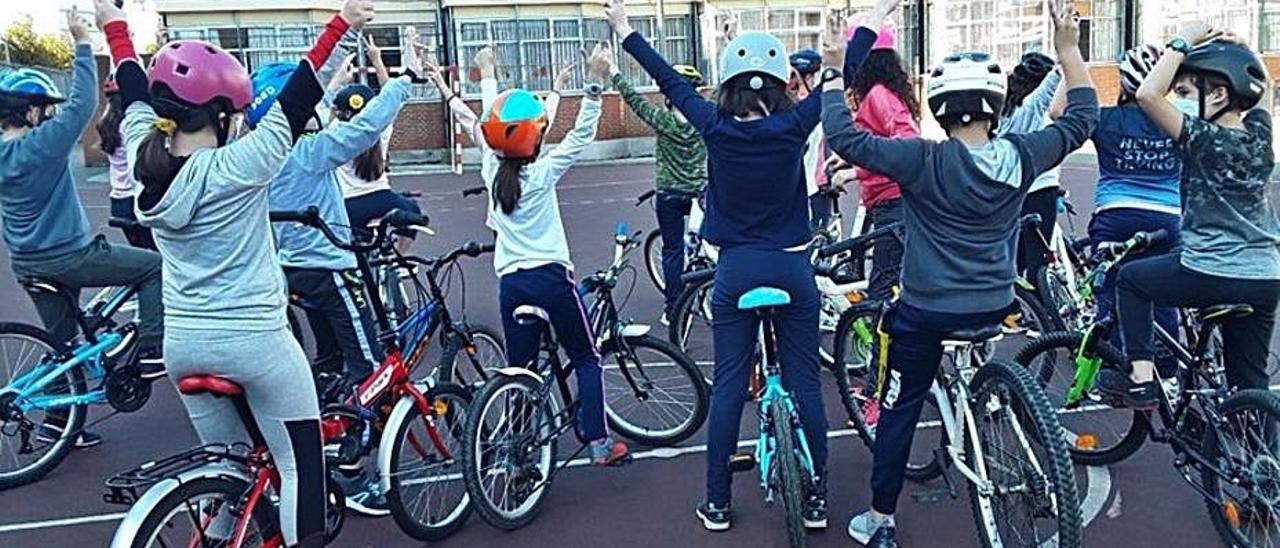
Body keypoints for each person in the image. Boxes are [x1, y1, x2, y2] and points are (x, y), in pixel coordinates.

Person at [95, 0, 374, 545]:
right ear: (221, 116)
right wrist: (343, 25)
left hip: (184, 345)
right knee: (300, 468)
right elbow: (300, 93)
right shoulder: (239, 166)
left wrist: (114, 26)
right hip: (255, 344)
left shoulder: (144, 152)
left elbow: (132, 88)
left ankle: (221, 534)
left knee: (228, 468)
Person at [819, 1, 1097, 545]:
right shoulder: (1022, 154)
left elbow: (847, 140)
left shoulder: (923, 159)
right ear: (995, 105)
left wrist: (833, 68)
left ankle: (880, 519)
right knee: (978, 348)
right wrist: (1068, 49)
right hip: (994, 304)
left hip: (926, 309)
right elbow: (1082, 117)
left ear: (941, 110)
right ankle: (989, 402)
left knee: (899, 408)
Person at [607, 0, 831, 531]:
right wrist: (857, 41)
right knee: (804, 382)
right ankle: (818, 498)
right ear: (781, 85)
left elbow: (669, 81)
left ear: (728, 86)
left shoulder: (714, 125)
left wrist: (625, 31)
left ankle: (717, 502)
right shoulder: (795, 124)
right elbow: (843, 82)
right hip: (792, 269)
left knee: (729, 383)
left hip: (735, 272)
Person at [423, 44, 630, 467]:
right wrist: (591, 84)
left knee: (520, 371)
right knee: (587, 358)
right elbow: (578, 136)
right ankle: (599, 443)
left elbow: (483, 122)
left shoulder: (489, 167)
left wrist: (486, 75)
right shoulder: (544, 171)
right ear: (536, 137)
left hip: (512, 284)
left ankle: (518, 452)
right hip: (553, 279)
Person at [250, 55, 416, 515]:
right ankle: (355, 464)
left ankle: (319, 436)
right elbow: (364, 130)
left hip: (292, 272)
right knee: (370, 365)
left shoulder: (261, 153)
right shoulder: (307, 151)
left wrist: (329, 83)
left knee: (327, 361)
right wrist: (402, 84)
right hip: (329, 268)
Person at [1099, 22, 1280, 408]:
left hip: (1211, 271)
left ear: (1217, 95)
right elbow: (1263, 90)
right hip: (1266, 275)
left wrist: (1183, 42)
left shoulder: (1200, 137)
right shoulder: (1262, 138)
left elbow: (1148, 93)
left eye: (1183, 92)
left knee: (1130, 280)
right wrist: (1243, 49)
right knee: (1250, 382)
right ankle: (1261, 459)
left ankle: (1143, 378)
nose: (1176, 99)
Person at [0, 8, 165, 391]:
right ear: (29, 111)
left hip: (26, 261)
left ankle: (57, 428)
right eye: (46, 108)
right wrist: (82, 41)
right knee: (153, 267)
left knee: (62, 345)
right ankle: (154, 349)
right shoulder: (41, 144)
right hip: (68, 254)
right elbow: (80, 105)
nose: (52, 114)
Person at [1087, 44, 1182, 368]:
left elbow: (1059, 112)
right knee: (1164, 297)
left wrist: (1069, 60)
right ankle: (1166, 372)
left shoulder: (1105, 118)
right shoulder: (1178, 119)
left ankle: (1115, 370)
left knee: (1111, 294)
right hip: (1168, 218)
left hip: (1116, 215)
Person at [612, 60, 708, 322]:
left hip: (669, 193)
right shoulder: (705, 117)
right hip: (701, 193)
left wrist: (613, 70)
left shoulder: (662, 119)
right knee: (716, 243)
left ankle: (673, 309)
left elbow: (634, 100)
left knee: (672, 250)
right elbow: (726, 92)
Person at [834, 21, 919, 303]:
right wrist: (846, 160)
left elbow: (905, 141)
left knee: (882, 284)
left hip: (893, 200)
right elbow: (875, 141)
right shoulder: (880, 93)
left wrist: (854, 172)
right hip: (888, 200)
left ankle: (881, 346)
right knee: (887, 276)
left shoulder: (879, 94)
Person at [998, 51, 1067, 281]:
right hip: (1041, 189)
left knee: (1013, 259)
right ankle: (1042, 313)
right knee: (1039, 262)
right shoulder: (1033, 107)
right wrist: (1066, 58)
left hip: (1010, 192)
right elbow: (1048, 90)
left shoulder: (1003, 113)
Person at [97, 75, 155, 250]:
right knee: (158, 258)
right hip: (135, 199)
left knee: (143, 256)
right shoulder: (131, 125)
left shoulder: (107, 124)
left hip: (118, 200)